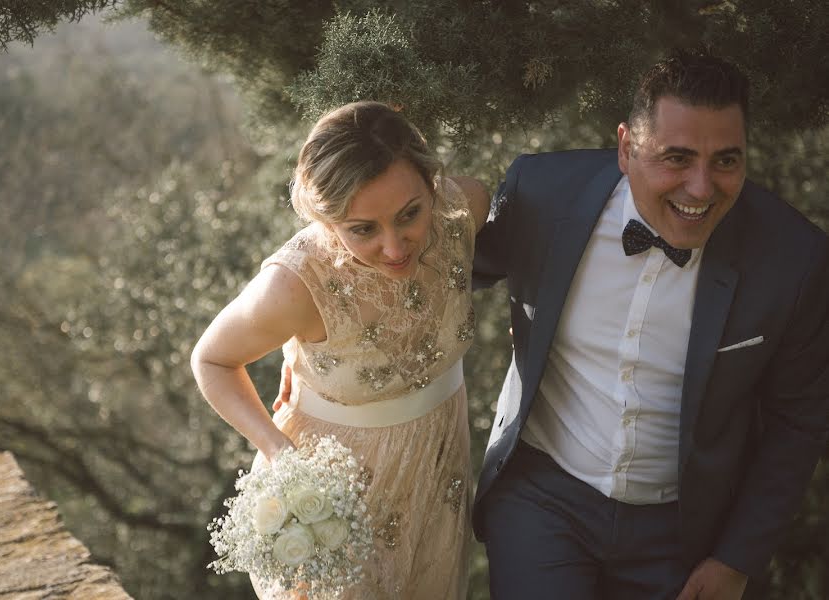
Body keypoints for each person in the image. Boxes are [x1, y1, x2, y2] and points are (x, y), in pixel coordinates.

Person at [472, 50, 829, 599]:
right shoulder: (541, 195)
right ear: (626, 147)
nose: (702, 187)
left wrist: (736, 558)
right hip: (543, 499)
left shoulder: (795, 259)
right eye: (677, 158)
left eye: (726, 161)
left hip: (683, 535)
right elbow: (436, 272)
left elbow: (798, 421)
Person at [190, 100, 490, 598]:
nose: (395, 248)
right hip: (337, 494)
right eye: (363, 230)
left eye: (409, 214)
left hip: (439, 469)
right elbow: (212, 360)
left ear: (433, 183)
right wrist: (278, 451)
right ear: (326, 220)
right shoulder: (293, 285)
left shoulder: (465, 209)